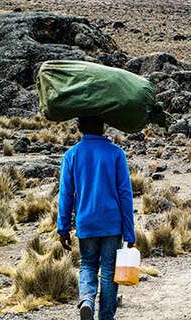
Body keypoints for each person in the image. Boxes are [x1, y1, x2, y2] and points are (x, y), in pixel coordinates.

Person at [57, 116, 135, 320]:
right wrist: (129, 232)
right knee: (109, 271)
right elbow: (125, 194)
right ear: (103, 127)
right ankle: (106, 317)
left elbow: (66, 194)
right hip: (112, 224)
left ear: (80, 128)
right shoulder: (116, 154)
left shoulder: (71, 155)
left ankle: (87, 301)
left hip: (86, 222)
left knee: (87, 265)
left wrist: (62, 227)